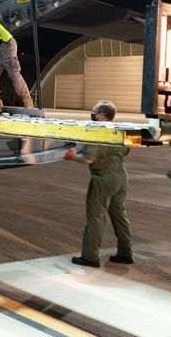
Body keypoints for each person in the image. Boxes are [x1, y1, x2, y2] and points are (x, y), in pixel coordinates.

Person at [64, 100, 134, 267]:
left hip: (103, 178)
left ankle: (90, 257)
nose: (92, 114)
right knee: (119, 215)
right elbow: (128, 149)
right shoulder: (121, 130)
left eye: (95, 112)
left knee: (96, 216)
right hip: (121, 176)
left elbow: (88, 158)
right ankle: (126, 253)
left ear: (102, 115)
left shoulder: (98, 131)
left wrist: (72, 156)